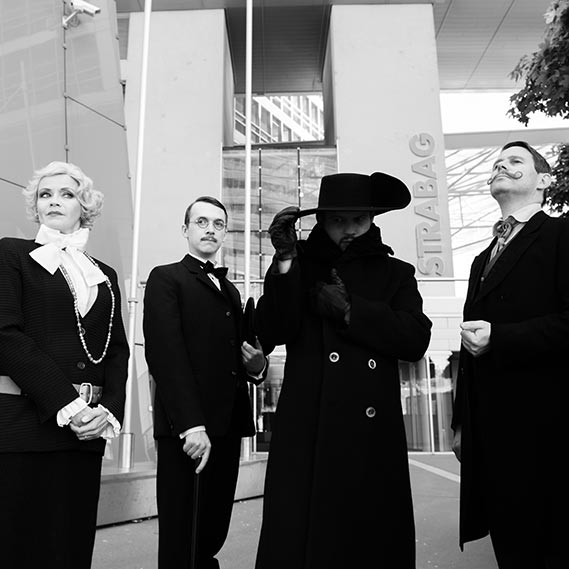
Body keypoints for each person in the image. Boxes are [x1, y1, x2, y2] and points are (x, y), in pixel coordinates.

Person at [254, 172, 432, 569]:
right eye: (338, 221)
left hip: (370, 432)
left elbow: (415, 339)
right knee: (299, 537)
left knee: (367, 540)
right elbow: (272, 330)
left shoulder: (396, 273)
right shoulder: (296, 265)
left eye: (358, 220)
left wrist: (352, 311)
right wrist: (284, 261)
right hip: (307, 427)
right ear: (321, 221)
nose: (349, 229)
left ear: (372, 220)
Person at [0, 161, 129, 569]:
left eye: (67, 194)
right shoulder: (11, 254)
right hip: (24, 430)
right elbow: (6, 336)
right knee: (19, 551)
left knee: (70, 551)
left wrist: (108, 410)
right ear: (36, 206)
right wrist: (69, 406)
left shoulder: (105, 274)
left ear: (84, 206)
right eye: (45, 194)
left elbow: (118, 352)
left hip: (86, 434)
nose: (54, 201)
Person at [451, 141, 569, 569]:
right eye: (497, 163)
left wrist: (501, 338)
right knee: (512, 545)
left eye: (515, 161)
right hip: (492, 433)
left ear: (544, 181)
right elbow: (469, 349)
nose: (501, 165)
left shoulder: (561, 234)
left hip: (549, 427)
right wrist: (461, 422)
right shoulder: (481, 258)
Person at [143, 196, 267, 569]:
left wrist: (258, 367)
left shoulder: (230, 290)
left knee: (212, 530)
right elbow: (165, 355)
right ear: (185, 229)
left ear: (225, 233)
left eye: (218, 223)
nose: (210, 229)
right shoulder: (166, 278)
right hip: (188, 430)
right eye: (201, 222)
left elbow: (239, 357)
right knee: (182, 535)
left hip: (227, 427)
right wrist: (190, 425)